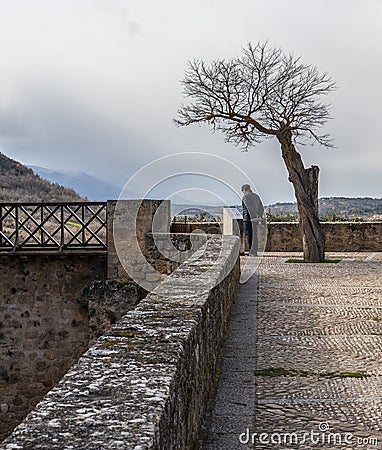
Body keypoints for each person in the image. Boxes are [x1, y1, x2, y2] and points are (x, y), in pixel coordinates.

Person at [241, 184, 264, 256]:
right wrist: (259, 216)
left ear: (244, 190)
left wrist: (253, 217)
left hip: (248, 219)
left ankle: (252, 251)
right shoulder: (256, 196)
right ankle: (254, 251)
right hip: (255, 220)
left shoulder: (245, 196)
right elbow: (261, 208)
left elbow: (249, 208)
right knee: (255, 235)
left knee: (249, 235)